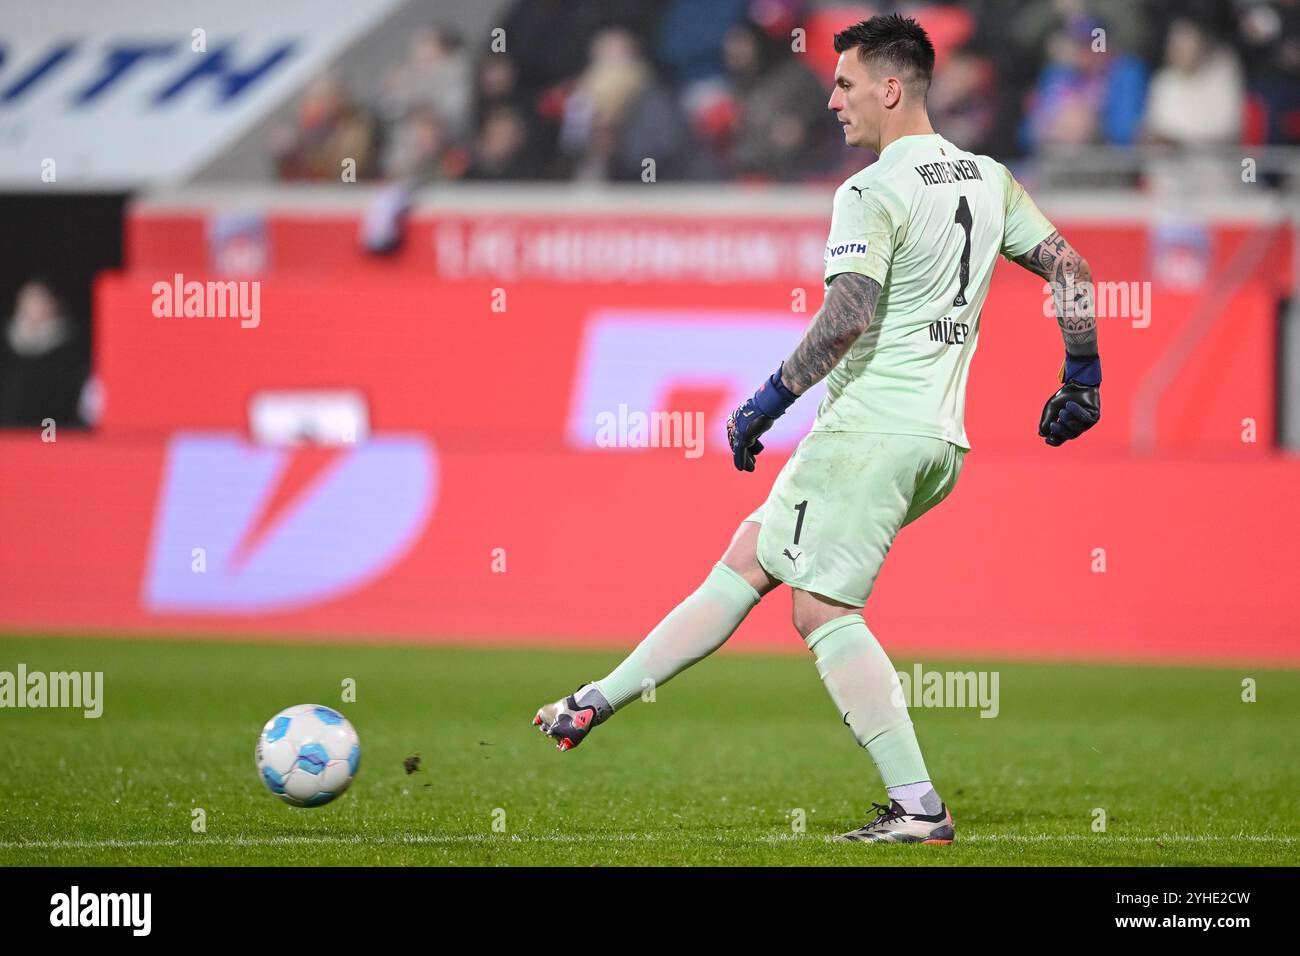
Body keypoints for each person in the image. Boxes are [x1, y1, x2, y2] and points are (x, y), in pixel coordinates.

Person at [532, 14, 1102, 844]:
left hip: (866, 431)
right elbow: (1071, 268)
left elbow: (849, 312)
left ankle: (919, 808)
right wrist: (1081, 375)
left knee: (822, 609)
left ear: (891, 88)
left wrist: (768, 399)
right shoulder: (988, 177)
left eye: (844, 83)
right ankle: (595, 701)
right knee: (750, 557)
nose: (832, 100)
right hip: (936, 441)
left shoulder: (870, 191)